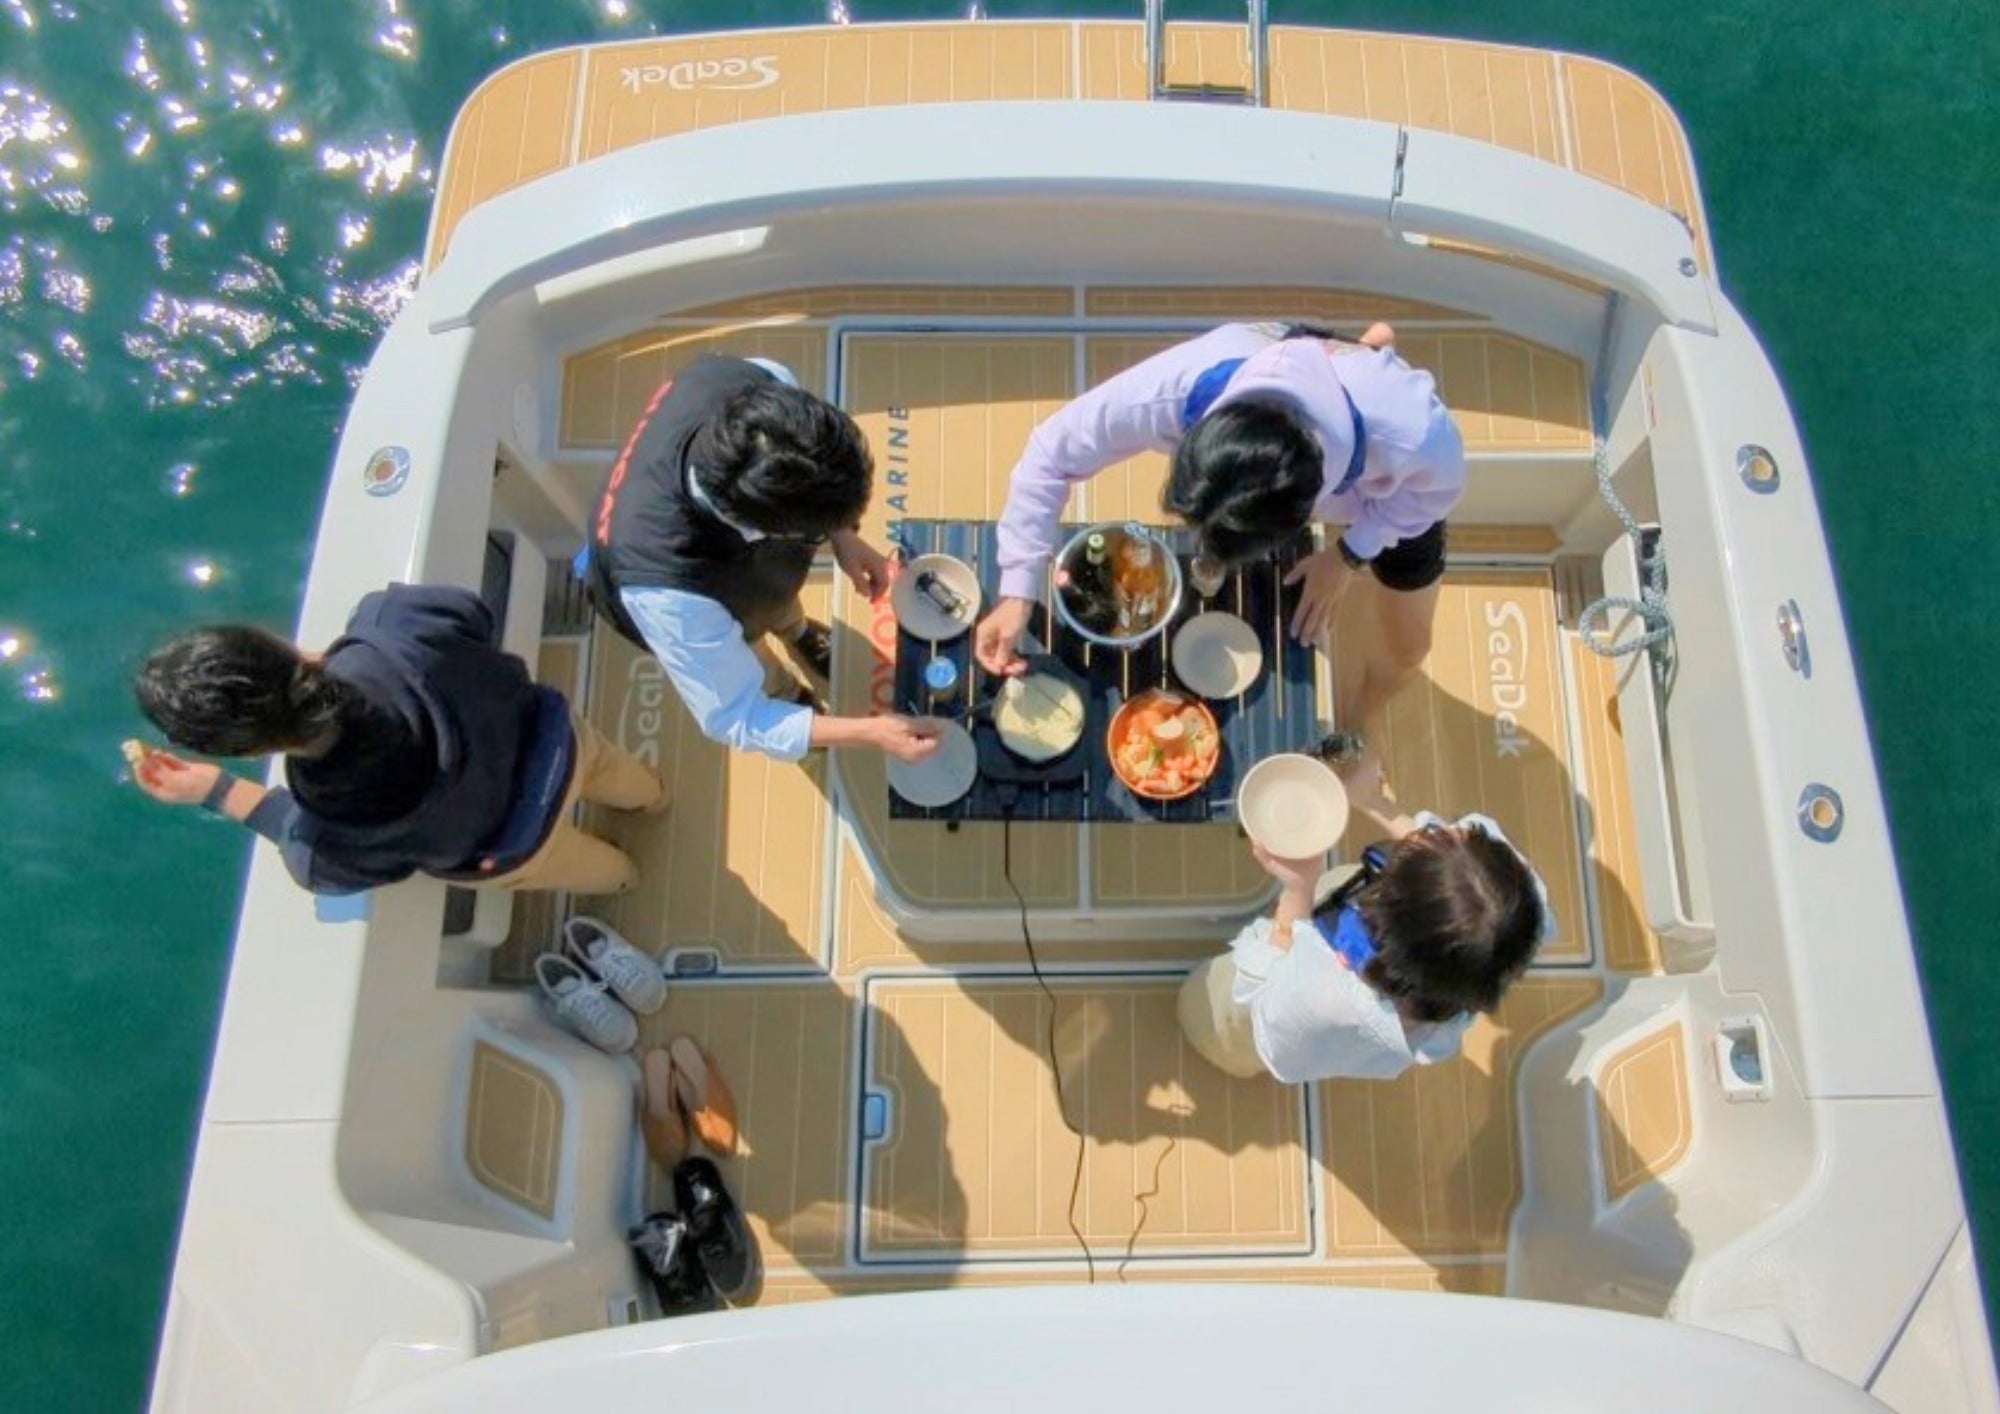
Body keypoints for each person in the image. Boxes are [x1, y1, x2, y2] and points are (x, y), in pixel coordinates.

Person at [975, 321, 1463, 735]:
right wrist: (1017, 588)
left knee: (1409, 647)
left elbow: (1431, 497)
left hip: (1390, 494)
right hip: (1290, 357)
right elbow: (1048, 455)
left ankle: (1362, 719)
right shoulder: (1177, 388)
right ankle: (1363, 348)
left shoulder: (1417, 437)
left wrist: (1349, 554)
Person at [128, 584, 662, 897]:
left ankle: (628, 877)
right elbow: (472, 614)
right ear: (271, 642)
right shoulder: (392, 624)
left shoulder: (326, 830)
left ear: (249, 750)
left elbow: (312, 863)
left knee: (587, 868)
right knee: (616, 772)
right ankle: (652, 797)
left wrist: (216, 790)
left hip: (524, 841)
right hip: (558, 744)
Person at [583, 353, 939, 766]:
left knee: (775, 596)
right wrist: (871, 731)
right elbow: (739, 717)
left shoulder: (757, 379)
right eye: (819, 534)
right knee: (754, 655)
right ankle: (787, 692)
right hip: (679, 592)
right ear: (763, 529)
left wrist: (844, 536)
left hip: (737, 572)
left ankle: (797, 632)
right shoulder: (671, 602)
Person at [1177, 753, 1551, 1083]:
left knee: (1206, 1008)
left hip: (1256, 1015)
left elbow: (1269, 984)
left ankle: (1215, 1043)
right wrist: (1373, 801)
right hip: (1347, 936)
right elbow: (1450, 861)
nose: (1434, 831)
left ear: (1385, 915)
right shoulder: (1511, 904)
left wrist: (1298, 888)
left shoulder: (1324, 1001)